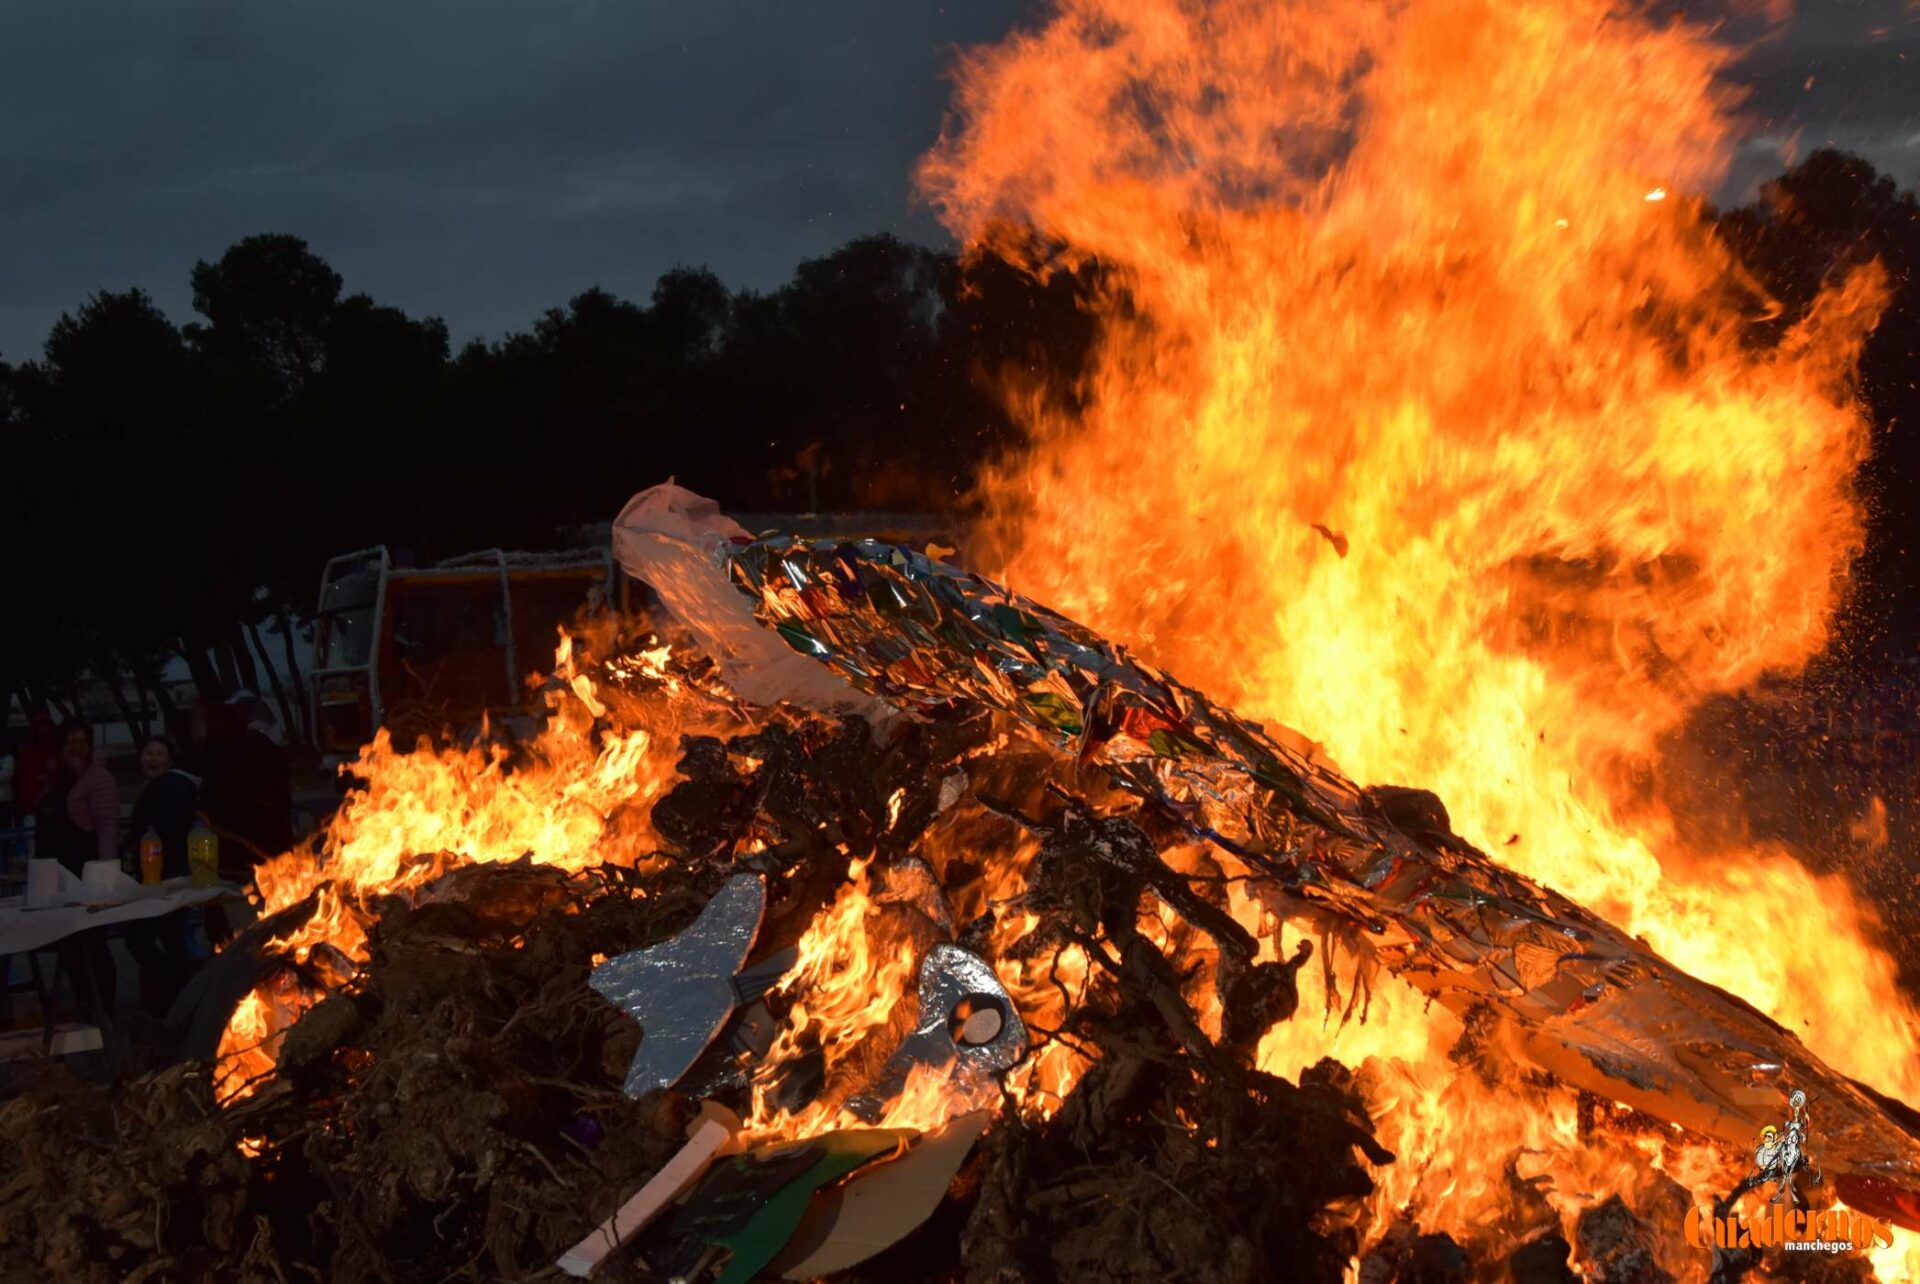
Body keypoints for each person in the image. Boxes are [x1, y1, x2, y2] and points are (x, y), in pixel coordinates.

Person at [34, 719, 120, 1019]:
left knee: (94, 945)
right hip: (56, 877)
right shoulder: (54, 777)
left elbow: (108, 827)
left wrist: (105, 876)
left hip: (87, 875)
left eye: (82, 741)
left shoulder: (98, 778)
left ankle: (105, 1008)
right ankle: (84, 1003)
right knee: (68, 946)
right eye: (71, 741)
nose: (77, 746)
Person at [123, 734, 200, 1010]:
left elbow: (169, 827)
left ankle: (177, 993)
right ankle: (174, 997)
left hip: (168, 875)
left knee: (142, 937)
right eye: (148, 752)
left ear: (170, 760)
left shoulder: (172, 785)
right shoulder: (156, 785)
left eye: (159, 753)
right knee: (169, 937)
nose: (152, 758)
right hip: (161, 874)